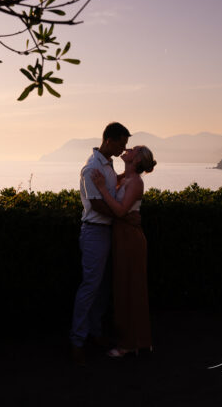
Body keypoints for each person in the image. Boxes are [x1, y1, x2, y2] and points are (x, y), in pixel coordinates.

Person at [70, 122, 130, 367]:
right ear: (109, 140)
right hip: (95, 232)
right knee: (90, 287)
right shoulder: (92, 167)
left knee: (102, 287)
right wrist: (122, 214)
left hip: (106, 232)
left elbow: (110, 188)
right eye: (121, 144)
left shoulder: (107, 165)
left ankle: (94, 333)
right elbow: (96, 204)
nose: (123, 148)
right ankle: (76, 342)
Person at [91, 145, 156, 357]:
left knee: (130, 289)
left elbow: (119, 211)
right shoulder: (125, 178)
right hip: (122, 236)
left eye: (133, 149)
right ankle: (136, 341)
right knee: (123, 288)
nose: (127, 149)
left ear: (136, 160)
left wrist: (100, 188)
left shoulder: (136, 182)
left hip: (130, 239)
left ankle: (130, 343)